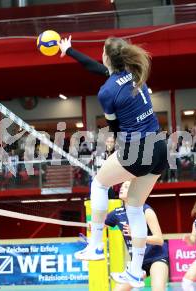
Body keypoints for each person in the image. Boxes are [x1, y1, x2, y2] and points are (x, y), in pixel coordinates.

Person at [61, 36, 168, 288]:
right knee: (134, 207)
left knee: (99, 184)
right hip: (160, 148)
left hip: (137, 148)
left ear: (107, 57)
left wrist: (116, 151)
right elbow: (98, 69)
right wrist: (69, 51)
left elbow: (115, 128)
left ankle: (95, 245)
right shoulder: (134, 73)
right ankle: (134, 271)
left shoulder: (106, 92)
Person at [106, 181, 169, 291]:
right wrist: (94, 225)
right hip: (137, 263)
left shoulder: (146, 210)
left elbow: (159, 240)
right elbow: (101, 225)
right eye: (122, 186)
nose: (121, 188)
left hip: (156, 258)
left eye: (126, 187)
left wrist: (136, 235)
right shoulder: (117, 213)